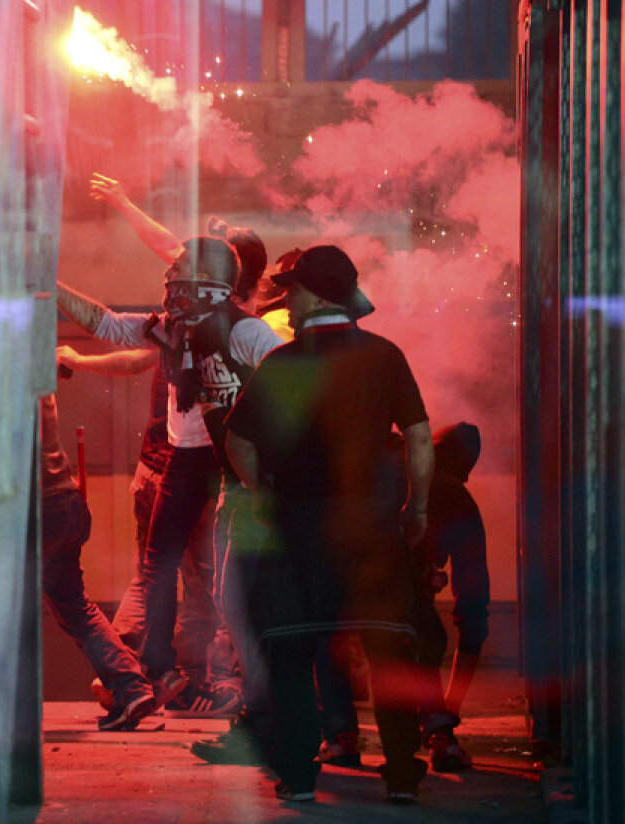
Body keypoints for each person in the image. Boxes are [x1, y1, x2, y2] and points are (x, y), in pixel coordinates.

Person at [224, 244, 435, 804]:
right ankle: (402, 776)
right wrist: (416, 508)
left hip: (297, 533)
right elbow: (418, 436)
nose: (285, 302)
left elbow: (239, 441)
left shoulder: (283, 364)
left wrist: (264, 494)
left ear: (315, 293)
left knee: (293, 654)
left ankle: (296, 775)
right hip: (370, 527)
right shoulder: (384, 356)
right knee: (389, 651)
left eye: (291, 290)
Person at [57, 235, 283, 708]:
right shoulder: (172, 329)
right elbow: (112, 325)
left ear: (210, 278)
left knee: (227, 580)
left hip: (234, 460)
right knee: (158, 562)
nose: (170, 274)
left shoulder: (247, 331)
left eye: (181, 265)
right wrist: (52, 288)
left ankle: (252, 687)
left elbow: (287, 375)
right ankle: (160, 665)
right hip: (186, 454)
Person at [40, 390, 165, 731]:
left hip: (35, 507)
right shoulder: (31, 362)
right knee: (75, 607)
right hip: (65, 500)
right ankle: (132, 688)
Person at [413, 421, 490, 771]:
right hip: (409, 601)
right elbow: (473, 603)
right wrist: (449, 707)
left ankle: (340, 733)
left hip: (357, 594)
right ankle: (440, 737)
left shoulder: (397, 471)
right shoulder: (458, 499)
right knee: (426, 638)